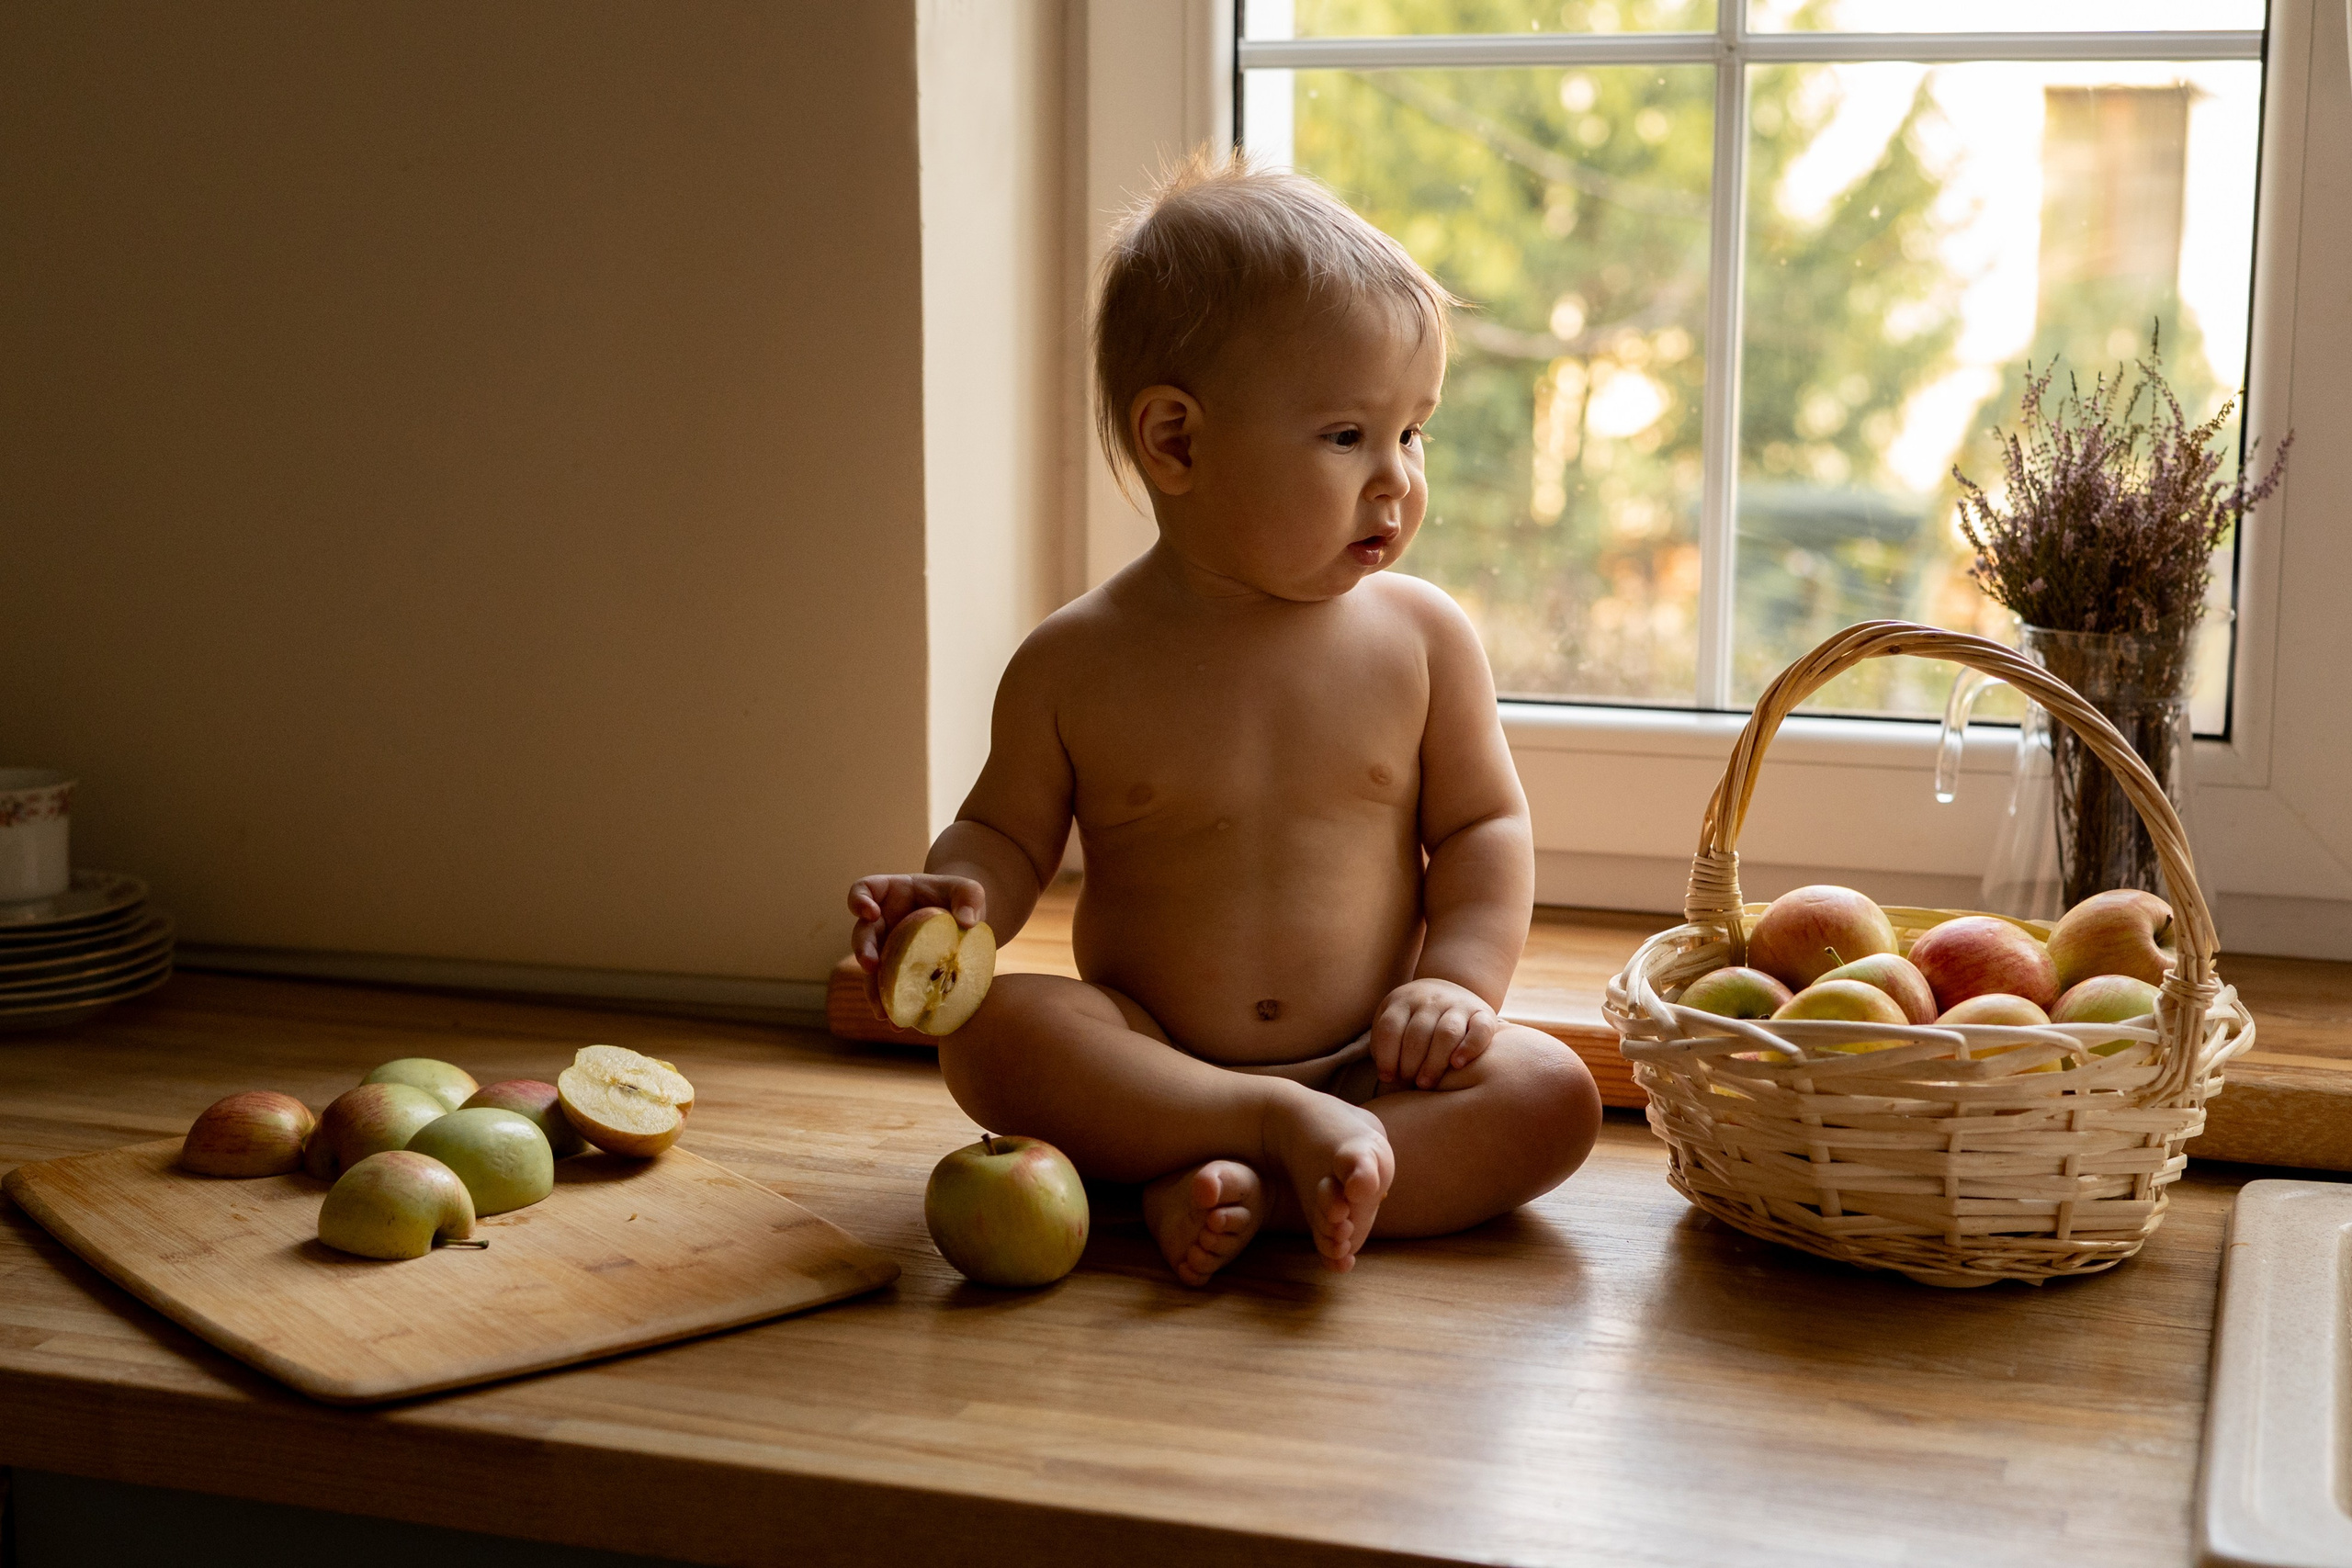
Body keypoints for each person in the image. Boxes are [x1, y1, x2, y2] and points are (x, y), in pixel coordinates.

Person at [850, 151, 1600, 1286]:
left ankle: (1261, 1184)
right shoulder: (1074, 662)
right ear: (1177, 442)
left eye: (1414, 433)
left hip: (1369, 1065)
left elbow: (1486, 829)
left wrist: (1454, 983)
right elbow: (1004, 836)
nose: (1396, 478)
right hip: (1153, 1055)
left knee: (1552, 1096)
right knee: (1003, 1034)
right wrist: (958, 900)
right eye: (1348, 436)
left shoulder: (1421, 639)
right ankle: (1252, 1135)